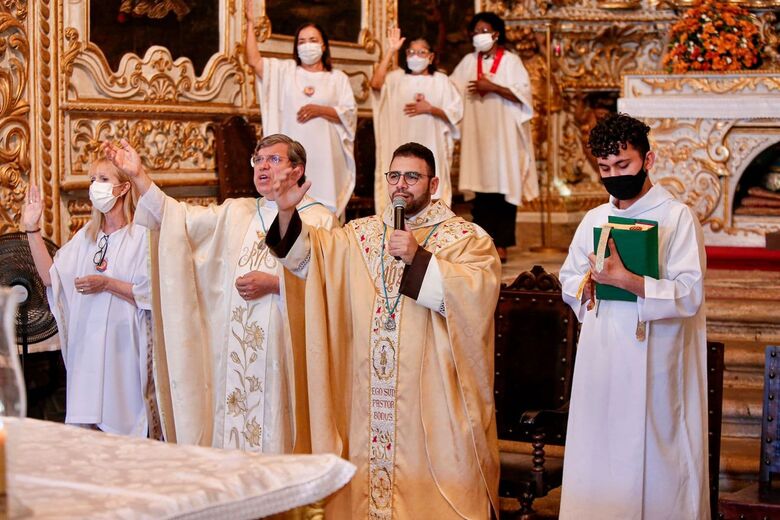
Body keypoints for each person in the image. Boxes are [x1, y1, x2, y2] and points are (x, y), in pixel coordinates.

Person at [265, 142, 501, 519]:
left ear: (434, 183)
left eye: (412, 176)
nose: (401, 186)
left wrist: (419, 257)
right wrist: (286, 210)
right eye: (394, 176)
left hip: (430, 402)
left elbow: (476, 299)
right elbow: (308, 260)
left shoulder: (466, 238)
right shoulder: (360, 235)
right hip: (368, 395)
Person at [103, 134, 338, 453]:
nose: (263, 167)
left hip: (286, 353)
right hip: (236, 359)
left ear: (297, 170)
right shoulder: (236, 212)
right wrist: (138, 176)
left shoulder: (320, 217)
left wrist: (273, 284)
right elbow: (175, 220)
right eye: (258, 159)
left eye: (274, 159)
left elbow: (331, 284)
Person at [558, 113, 708, 519]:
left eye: (623, 165)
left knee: (654, 453)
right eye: (605, 168)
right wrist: (582, 287)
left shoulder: (677, 218)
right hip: (602, 353)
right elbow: (570, 276)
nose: (614, 175)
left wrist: (630, 281)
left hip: (655, 357)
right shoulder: (594, 218)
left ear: (648, 159)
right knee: (598, 446)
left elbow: (689, 292)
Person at [22, 158, 156, 437]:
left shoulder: (142, 236)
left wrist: (107, 284)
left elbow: (152, 294)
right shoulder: (87, 237)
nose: (95, 186)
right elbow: (52, 278)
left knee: (123, 436)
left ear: (123, 188)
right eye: (92, 180)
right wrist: (32, 230)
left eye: (103, 179)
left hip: (124, 352)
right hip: (88, 351)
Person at [244, 2, 357, 217]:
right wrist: (250, 23)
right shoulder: (284, 72)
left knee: (326, 214)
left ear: (324, 46)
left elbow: (349, 114)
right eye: (302, 41)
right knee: (292, 208)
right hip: (292, 158)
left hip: (327, 158)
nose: (307, 45)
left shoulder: (337, 79)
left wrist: (321, 110)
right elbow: (254, 60)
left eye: (313, 40)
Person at [450, 11, 538, 263]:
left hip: (504, 137)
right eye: (475, 31)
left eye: (483, 30)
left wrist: (494, 88)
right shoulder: (468, 61)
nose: (479, 36)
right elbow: (451, 89)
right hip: (477, 136)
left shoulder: (511, 61)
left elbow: (524, 95)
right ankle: (482, 242)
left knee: (503, 186)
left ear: (496, 34)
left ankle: (502, 244)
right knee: (481, 189)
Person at [370, 27, 463, 215]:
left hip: (433, 146)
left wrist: (431, 109)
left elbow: (456, 114)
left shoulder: (442, 81)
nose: (416, 56)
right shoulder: (395, 78)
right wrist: (391, 50)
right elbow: (375, 83)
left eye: (421, 52)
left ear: (430, 57)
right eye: (411, 52)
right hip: (399, 142)